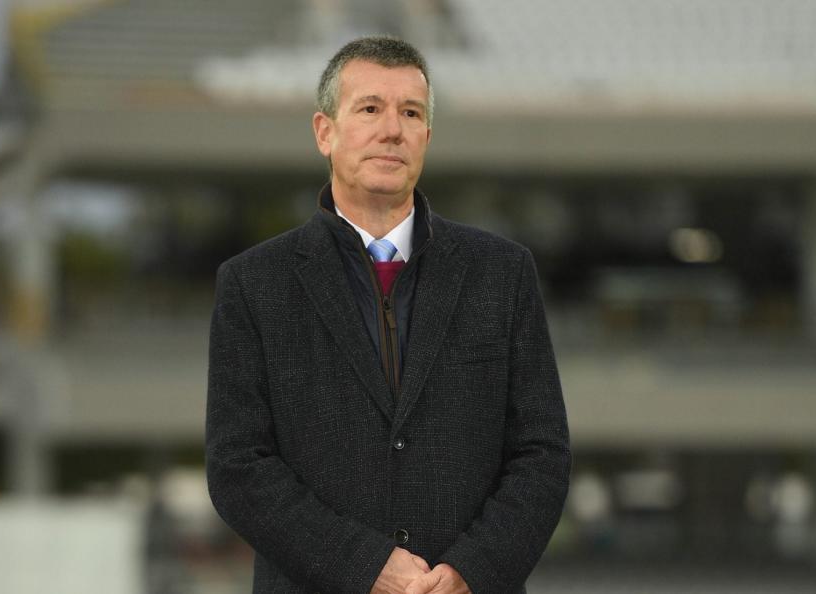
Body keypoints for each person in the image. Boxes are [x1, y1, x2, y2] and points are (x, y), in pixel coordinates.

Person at [206, 36, 570, 594]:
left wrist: (472, 572)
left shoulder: (504, 273)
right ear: (324, 132)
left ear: (427, 134)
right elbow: (238, 467)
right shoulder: (254, 284)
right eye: (370, 108)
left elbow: (541, 454)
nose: (392, 129)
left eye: (410, 112)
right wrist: (365, 566)